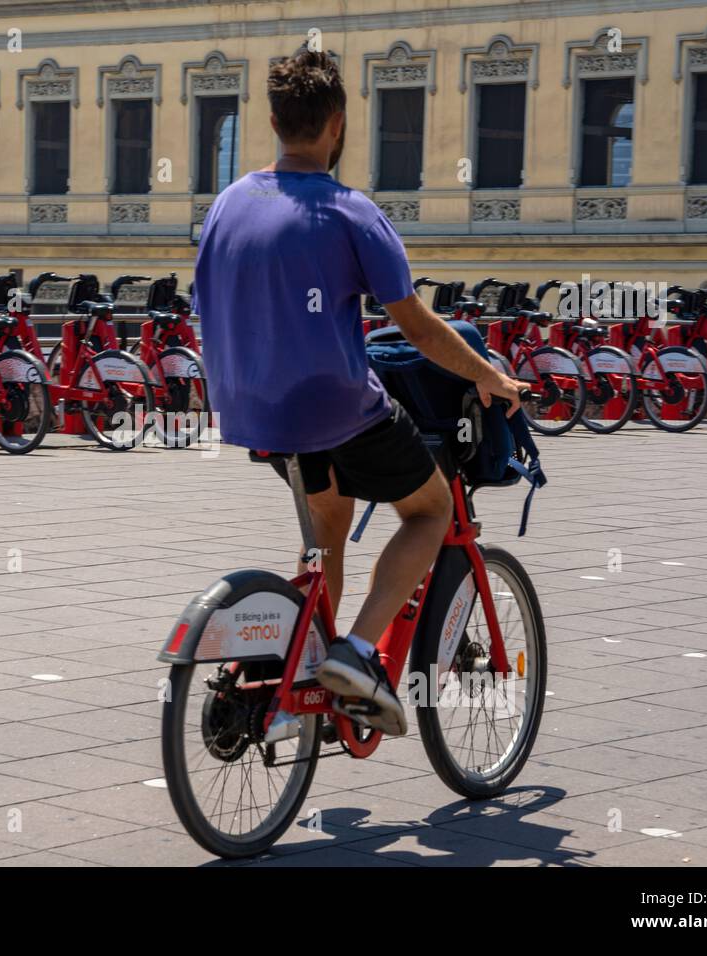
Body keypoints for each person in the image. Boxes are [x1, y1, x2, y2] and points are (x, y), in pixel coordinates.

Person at [193, 50, 524, 735]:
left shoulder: (228, 204)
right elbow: (420, 329)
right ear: (337, 125)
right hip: (336, 409)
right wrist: (488, 376)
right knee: (429, 511)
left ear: (276, 122)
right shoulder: (351, 212)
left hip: (251, 410)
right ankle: (358, 653)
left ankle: (288, 691)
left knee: (325, 544)